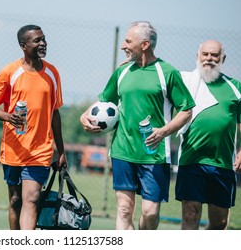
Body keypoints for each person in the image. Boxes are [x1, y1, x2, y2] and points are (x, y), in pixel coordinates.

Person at [80, 21, 195, 230]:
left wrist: (164, 131)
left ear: (144, 44)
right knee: (124, 209)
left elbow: (187, 110)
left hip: (154, 154)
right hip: (123, 150)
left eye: (128, 41)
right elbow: (104, 101)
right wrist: (84, 116)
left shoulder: (167, 72)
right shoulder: (121, 72)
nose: (124, 46)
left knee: (149, 213)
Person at [0, 24, 67, 230]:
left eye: (44, 39)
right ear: (23, 45)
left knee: (31, 198)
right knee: (15, 200)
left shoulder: (53, 73)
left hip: (40, 150)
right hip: (14, 148)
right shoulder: (10, 72)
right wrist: (8, 117)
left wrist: (61, 151)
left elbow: (55, 113)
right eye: (37, 40)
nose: (43, 43)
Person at [176, 40, 241, 230]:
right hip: (191, 161)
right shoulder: (184, 81)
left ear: (222, 58)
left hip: (222, 164)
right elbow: (157, 78)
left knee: (219, 223)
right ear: (198, 56)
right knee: (190, 215)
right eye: (205, 54)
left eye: (214, 55)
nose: (209, 59)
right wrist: (133, 64)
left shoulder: (235, 87)